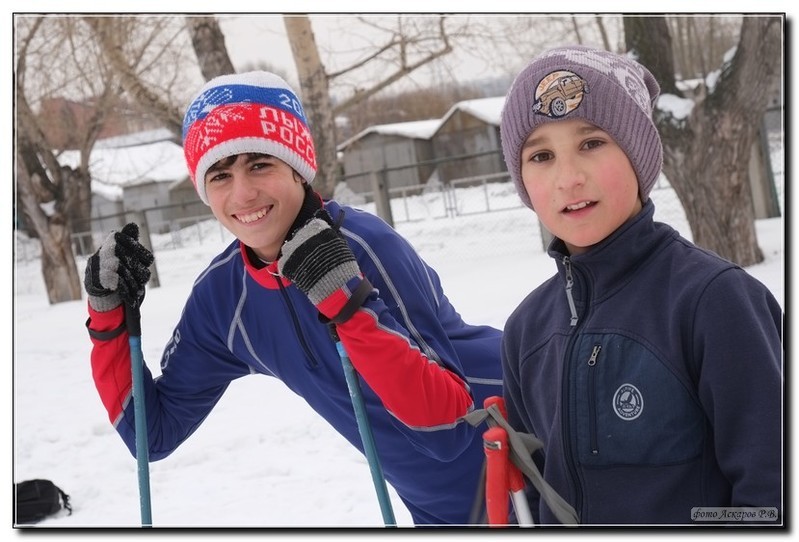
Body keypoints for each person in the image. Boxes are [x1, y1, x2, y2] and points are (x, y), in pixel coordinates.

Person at [83, 71, 503, 526]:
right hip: (446, 512)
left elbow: (448, 429)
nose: (242, 194)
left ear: (297, 169)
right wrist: (108, 318)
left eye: (259, 164)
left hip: (535, 450)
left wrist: (349, 308)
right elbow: (152, 436)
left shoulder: (364, 246)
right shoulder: (225, 299)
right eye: (220, 175)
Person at [497, 45, 783, 525]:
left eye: (591, 143)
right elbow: (532, 494)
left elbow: (774, 493)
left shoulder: (714, 301)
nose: (569, 177)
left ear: (638, 154)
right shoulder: (526, 331)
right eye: (541, 155)